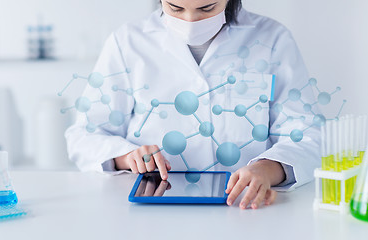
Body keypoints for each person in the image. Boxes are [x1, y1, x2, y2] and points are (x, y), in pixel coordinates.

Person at [65, 0, 321, 209]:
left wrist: (267, 168)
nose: (190, 21)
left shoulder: (273, 39)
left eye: (207, 8)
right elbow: (85, 135)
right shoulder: (127, 42)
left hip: (245, 207)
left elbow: (307, 133)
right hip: (154, 211)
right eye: (175, 8)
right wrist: (125, 156)